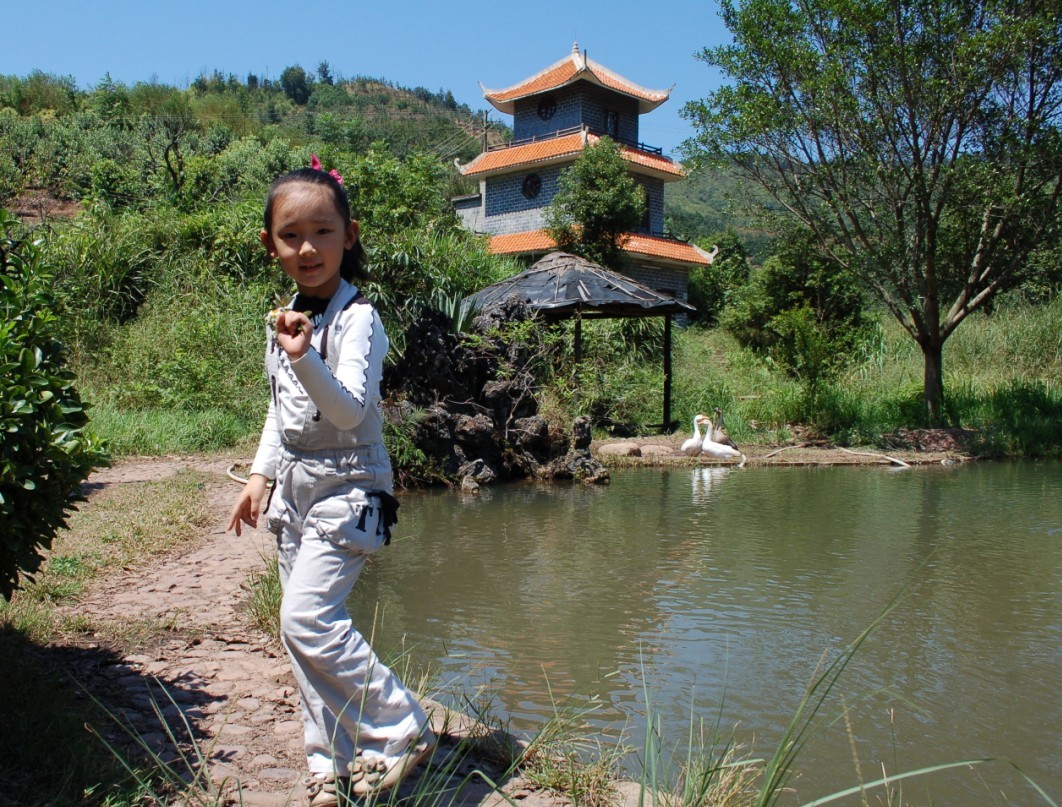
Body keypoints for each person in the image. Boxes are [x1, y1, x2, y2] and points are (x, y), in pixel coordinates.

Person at [228, 157, 434, 806]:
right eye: (291, 235)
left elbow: (348, 408)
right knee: (302, 639)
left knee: (306, 616)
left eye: (322, 231)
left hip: (353, 489)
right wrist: (260, 474)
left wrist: (304, 353)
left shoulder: (359, 319)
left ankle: (401, 725)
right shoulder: (285, 316)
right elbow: (280, 407)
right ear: (271, 245)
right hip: (296, 491)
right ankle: (330, 763)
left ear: (350, 234)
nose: (308, 247)